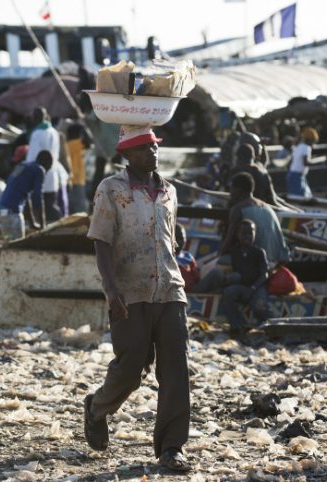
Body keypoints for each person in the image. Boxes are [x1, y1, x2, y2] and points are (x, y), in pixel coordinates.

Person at [84, 125, 192, 472]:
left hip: (169, 289)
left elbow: (170, 238)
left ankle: (171, 448)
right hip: (129, 291)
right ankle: (97, 407)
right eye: (145, 148)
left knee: (176, 369)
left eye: (155, 146)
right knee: (131, 368)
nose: (153, 153)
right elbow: (101, 240)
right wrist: (110, 287)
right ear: (127, 154)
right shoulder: (111, 190)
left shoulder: (169, 191)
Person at [222, 172, 289, 265]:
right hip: (277, 260)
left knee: (220, 261)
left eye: (231, 189)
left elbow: (227, 243)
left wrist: (217, 255)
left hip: (259, 262)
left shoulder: (238, 209)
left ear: (238, 190)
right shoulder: (267, 207)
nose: (230, 193)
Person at [220, 219, 270, 337]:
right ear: (238, 235)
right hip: (242, 286)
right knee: (228, 292)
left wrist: (252, 289)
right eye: (244, 233)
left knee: (260, 306)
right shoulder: (234, 251)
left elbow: (264, 275)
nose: (247, 236)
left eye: (250, 233)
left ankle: (267, 327)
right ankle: (238, 325)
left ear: (254, 234)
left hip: (257, 286)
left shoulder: (259, 252)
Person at [24, 107, 68, 222]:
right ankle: (60, 224)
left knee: (38, 204)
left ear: (36, 118)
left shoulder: (37, 133)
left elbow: (32, 157)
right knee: (51, 204)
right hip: (53, 173)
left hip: (40, 174)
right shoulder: (53, 131)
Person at [0, 150, 52, 240]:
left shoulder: (22, 165)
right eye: (48, 168)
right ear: (47, 163)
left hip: (3, 212)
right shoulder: (39, 170)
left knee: (9, 247)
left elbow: (27, 198)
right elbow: (38, 198)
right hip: (13, 214)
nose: (46, 172)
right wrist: (43, 226)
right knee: (18, 247)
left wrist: (32, 223)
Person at [287, 127, 318, 198]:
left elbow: (290, 164)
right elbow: (306, 162)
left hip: (292, 175)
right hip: (297, 177)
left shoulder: (298, 147)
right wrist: (321, 161)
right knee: (301, 199)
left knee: (305, 196)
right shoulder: (306, 147)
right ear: (311, 140)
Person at [66, 123, 89, 214]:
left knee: (70, 208)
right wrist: (85, 128)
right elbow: (89, 142)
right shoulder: (77, 143)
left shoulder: (66, 144)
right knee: (80, 210)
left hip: (69, 180)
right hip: (77, 180)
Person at [174, 223, 200, 293]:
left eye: (182, 238)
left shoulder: (188, 256)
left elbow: (197, 276)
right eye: (176, 238)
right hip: (177, 291)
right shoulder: (167, 257)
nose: (180, 241)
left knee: (216, 274)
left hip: (193, 288)